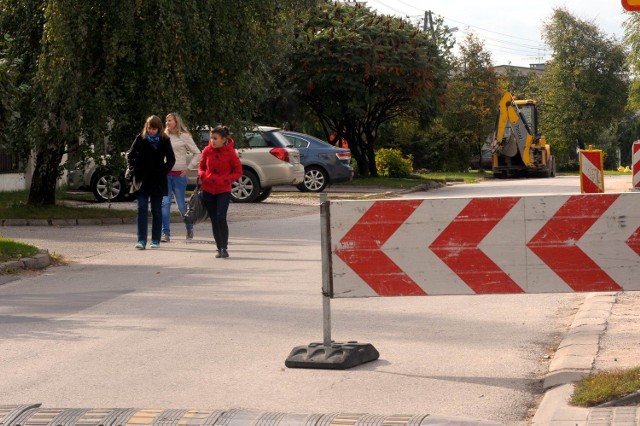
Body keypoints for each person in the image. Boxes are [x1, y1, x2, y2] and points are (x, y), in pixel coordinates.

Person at [127, 115, 176, 250]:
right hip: (141, 179)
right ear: (146, 127)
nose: (151, 131)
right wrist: (134, 168)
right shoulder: (140, 138)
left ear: (159, 128)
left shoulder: (164, 140)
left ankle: (155, 239)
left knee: (156, 210)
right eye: (149, 128)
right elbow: (130, 156)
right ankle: (141, 240)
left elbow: (171, 159)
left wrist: (163, 170)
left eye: (154, 129)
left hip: (157, 179)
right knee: (142, 208)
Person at [198, 125, 242, 258]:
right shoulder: (207, 151)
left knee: (221, 218)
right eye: (211, 138)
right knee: (214, 220)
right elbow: (201, 167)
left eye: (215, 138)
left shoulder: (231, 153)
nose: (212, 141)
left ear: (224, 139)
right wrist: (203, 176)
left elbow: (238, 171)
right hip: (208, 190)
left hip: (223, 190)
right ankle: (219, 248)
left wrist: (226, 180)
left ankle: (225, 247)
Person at [161, 112, 201, 242]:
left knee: (181, 206)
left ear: (176, 122)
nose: (167, 123)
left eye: (170, 121)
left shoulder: (184, 136)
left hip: (179, 176)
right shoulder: (163, 136)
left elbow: (197, 153)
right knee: (165, 203)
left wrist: (188, 168)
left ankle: (189, 227)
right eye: (166, 121)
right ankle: (165, 233)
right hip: (165, 175)